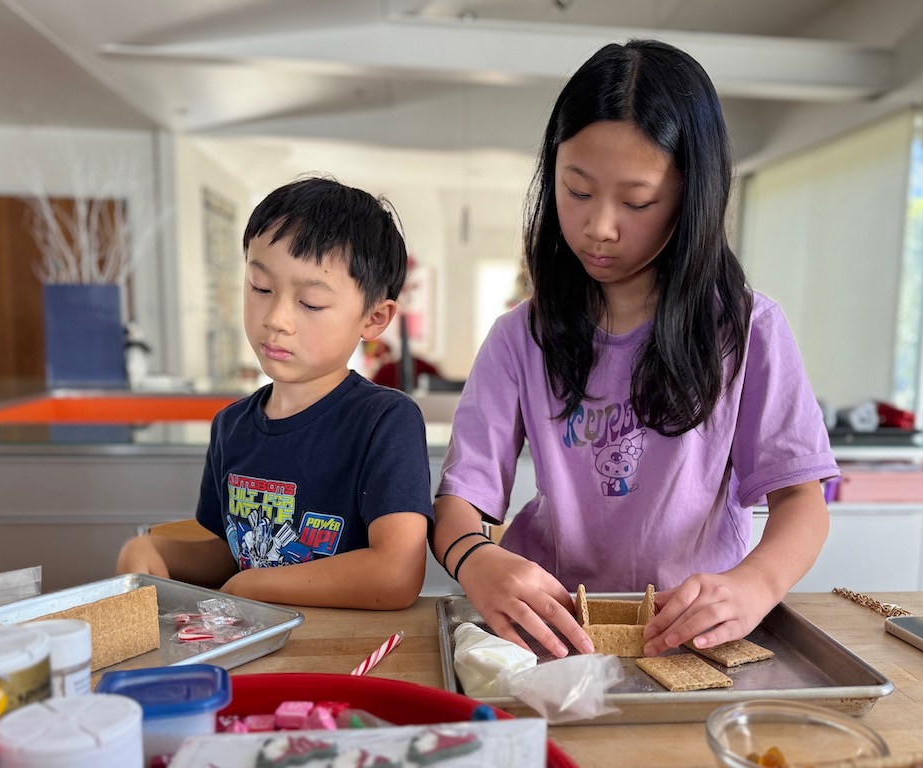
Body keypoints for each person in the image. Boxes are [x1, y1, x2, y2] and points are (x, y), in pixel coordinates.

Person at [431, 39, 838, 658]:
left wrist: (755, 584)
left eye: (638, 201)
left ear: (691, 198)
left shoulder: (749, 331)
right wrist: (478, 561)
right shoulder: (520, 336)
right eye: (577, 190)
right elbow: (461, 504)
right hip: (549, 633)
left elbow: (802, 502)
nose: (599, 227)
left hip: (690, 635)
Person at [117, 176, 433, 609]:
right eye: (261, 288)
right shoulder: (231, 426)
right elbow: (235, 556)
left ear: (374, 318)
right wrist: (155, 551)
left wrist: (254, 588)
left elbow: (395, 573)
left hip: (344, 654)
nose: (277, 318)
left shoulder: (384, 421)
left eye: (311, 303)